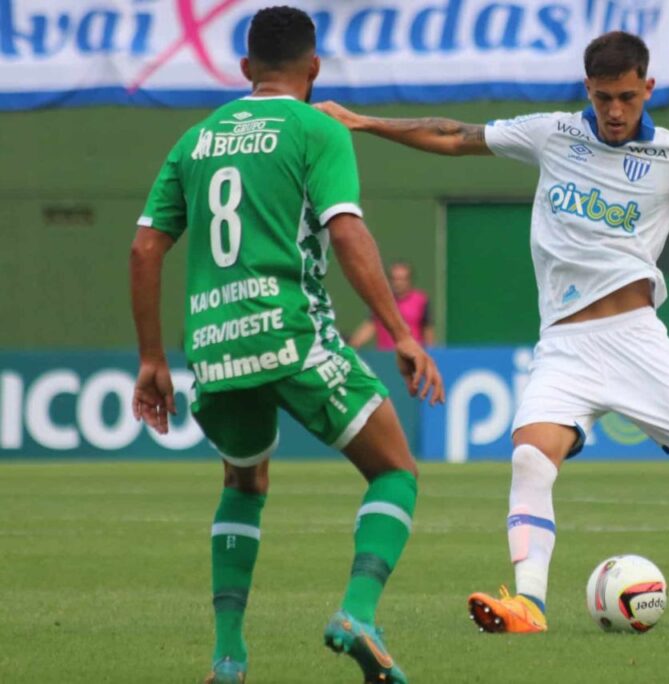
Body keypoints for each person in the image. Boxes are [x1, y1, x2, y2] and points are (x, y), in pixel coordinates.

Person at [317, 30, 669, 636]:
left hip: (636, 341)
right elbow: (457, 135)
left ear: (648, 89)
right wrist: (362, 122)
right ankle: (529, 603)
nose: (615, 110)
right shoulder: (553, 135)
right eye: (604, 96)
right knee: (531, 455)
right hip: (563, 347)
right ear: (588, 88)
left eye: (628, 97)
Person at [129, 7, 443, 683]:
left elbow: (145, 246)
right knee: (395, 470)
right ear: (315, 68)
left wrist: (152, 359)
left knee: (244, 484)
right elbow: (349, 232)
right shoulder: (315, 127)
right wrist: (402, 334)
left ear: (245, 70)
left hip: (214, 349)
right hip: (290, 335)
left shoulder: (195, 138)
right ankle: (358, 610)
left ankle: (229, 656)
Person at [349, 261, 435, 350]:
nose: (398, 283)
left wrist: (431, 353)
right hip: (386, 356)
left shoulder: (421, 300)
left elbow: (428, 329)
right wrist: (352, 345)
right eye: (395, 279)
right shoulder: (380, 300)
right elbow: (371, 325)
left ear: (409, 280)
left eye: (402, 279)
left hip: (412, 356)